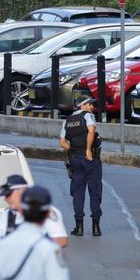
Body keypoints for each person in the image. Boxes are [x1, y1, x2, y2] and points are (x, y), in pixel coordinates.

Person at [0, 174, 69, 252]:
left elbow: (62, 240)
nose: (6, 199)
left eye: (8, 195)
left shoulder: (44, 211)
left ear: (22, 192)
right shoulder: (6, 215)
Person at [59, 95, 103, 237]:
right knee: (95, 191)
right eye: (89, 104)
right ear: (82, 106)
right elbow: (91, 131)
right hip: (90, 159)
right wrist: (88, 150)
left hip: (75, 159)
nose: (92, 107)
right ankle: (96, 227)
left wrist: (75, 149)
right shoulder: (88, 116)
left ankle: (79, 227)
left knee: (78, 193)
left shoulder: (68, 120)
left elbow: (62, 142)